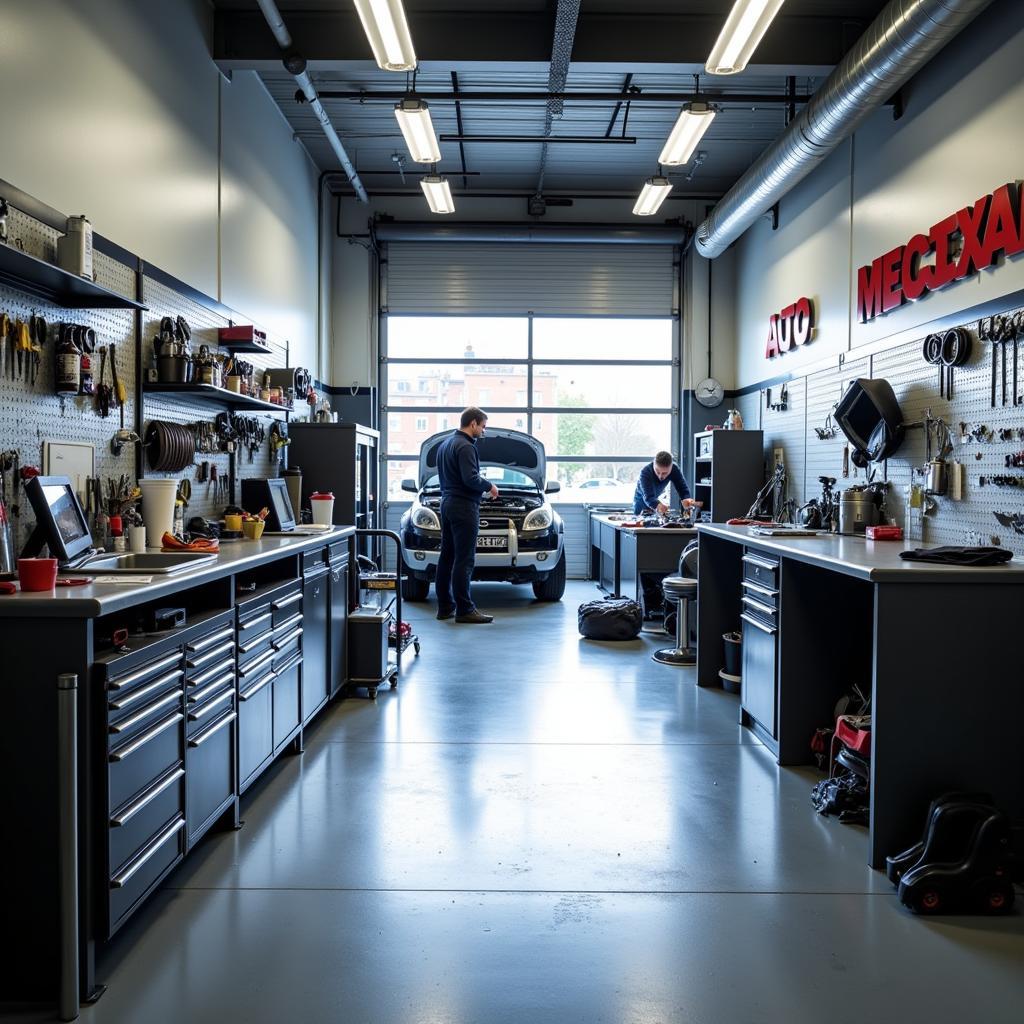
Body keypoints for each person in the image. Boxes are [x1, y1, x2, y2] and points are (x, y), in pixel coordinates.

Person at [435, 407, 499, 624]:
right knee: (464, 560)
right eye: (482, 426)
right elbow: (470, 478)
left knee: (447, 557)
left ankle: (445, 607)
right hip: (463, 506)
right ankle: (465, 610)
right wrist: (490, 486)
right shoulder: (466, 446)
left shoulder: (445, 444)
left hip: (447, 504)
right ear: (473, 423)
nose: (483, 431)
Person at [633, 450, 699, 515]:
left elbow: (682, 488)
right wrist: (658, 505)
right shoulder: (645, 472)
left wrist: (686, 499)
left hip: (655, 497)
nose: (660, 476)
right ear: (654, 464)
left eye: (665, 473)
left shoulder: (674, 469)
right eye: (657, 471)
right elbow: (648, 497)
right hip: (641, 499)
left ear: (671, 467)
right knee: (640, 518)